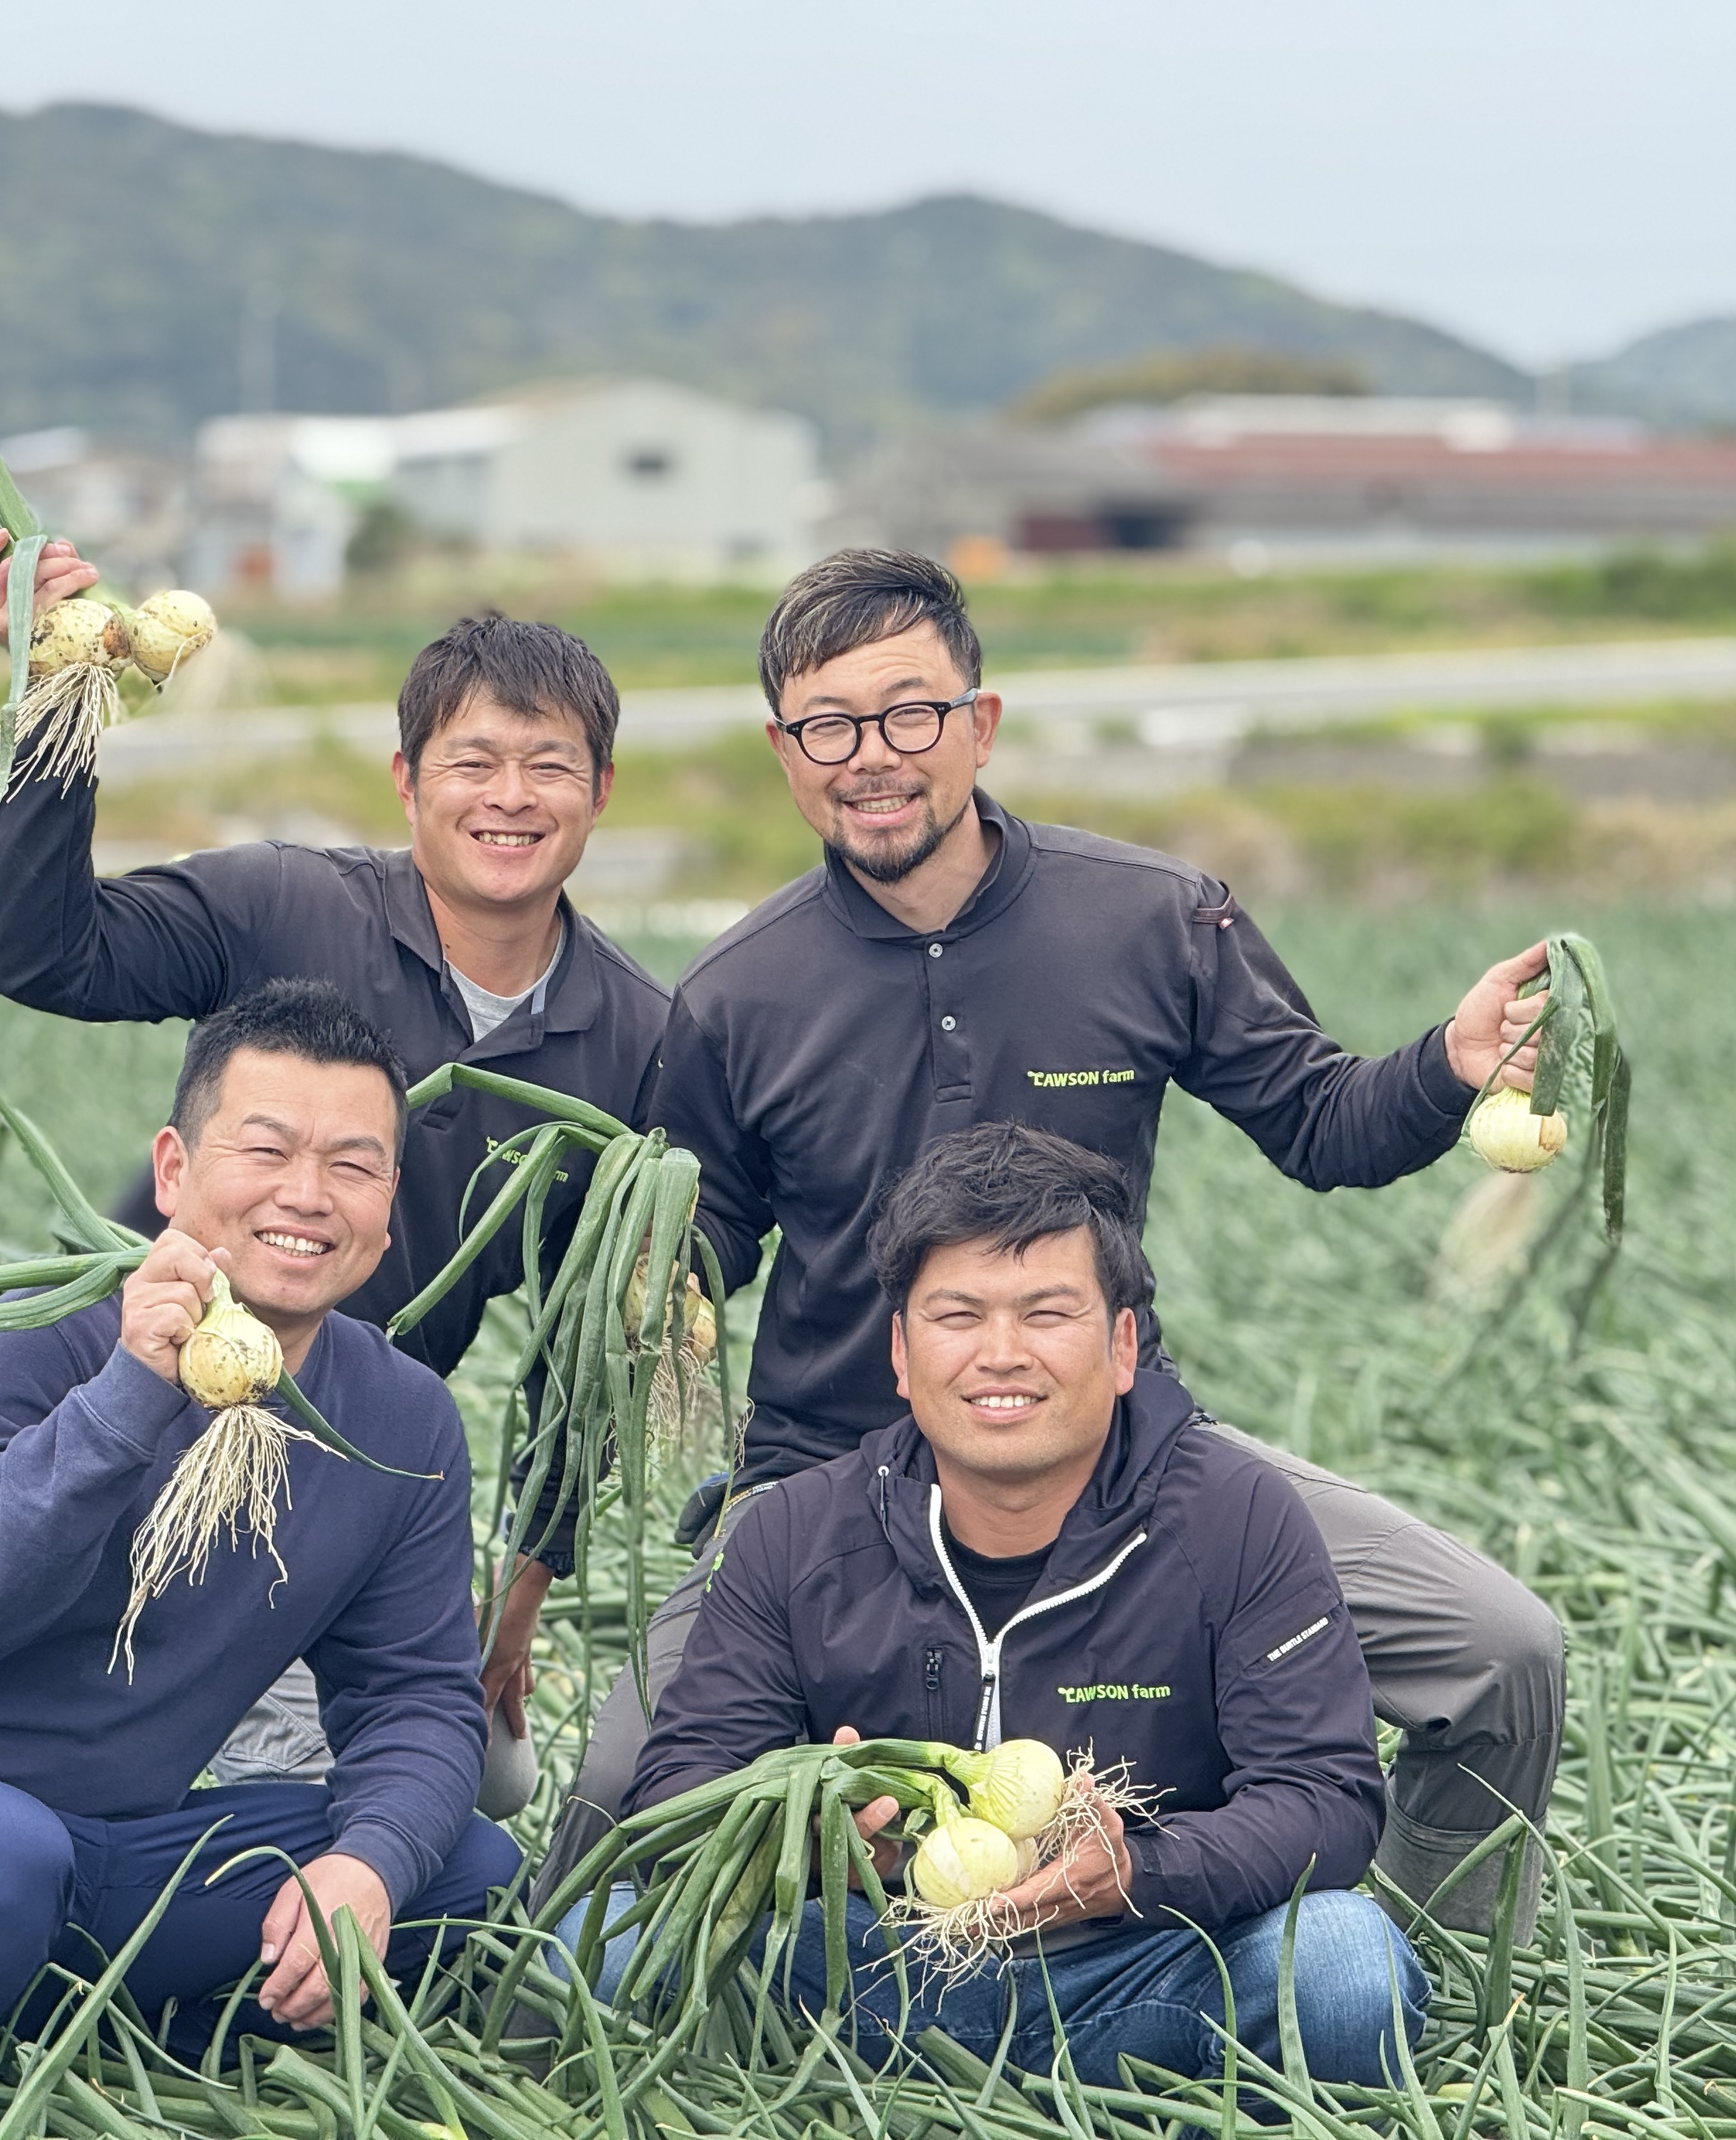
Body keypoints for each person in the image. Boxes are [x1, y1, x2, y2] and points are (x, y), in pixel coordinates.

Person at [527, 548, 1565, 1938]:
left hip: (1116, 1457)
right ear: (785, 753)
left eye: (909, 713)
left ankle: (1422, 1984)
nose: (871, 757)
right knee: (619, 1788)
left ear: (982, 723)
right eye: (828, 727)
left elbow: (1325, 1123)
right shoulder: (737, 993)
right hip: (828, 1476)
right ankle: (531, 2015)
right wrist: (645, 1270)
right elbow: (703, 1242)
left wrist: (1446, 1063)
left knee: (1504, 1652)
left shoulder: (1147, 920)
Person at [0, 982, 519, 2109]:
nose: (306, 1195)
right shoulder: (44, 1329)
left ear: (389, 1202)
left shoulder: (401, 1418)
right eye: (266, 1150)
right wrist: (130, 1392)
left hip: (107, 1859)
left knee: (466, 1871)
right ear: (173, 1171)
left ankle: (87, 2044)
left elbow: (414, 1697)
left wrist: (366, 1864)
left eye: (352, 1166)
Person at [0, 535, 671, 1800]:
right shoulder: (285, 908)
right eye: (472, 763)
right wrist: (53, 693)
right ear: (408, 782)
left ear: (603, 790)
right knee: (125, 1743)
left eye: (549, 766)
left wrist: (516, 1594)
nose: (509, 798)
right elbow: (44, 956)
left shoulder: (633, 1040)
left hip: (350, 1470)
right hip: (144, 1403)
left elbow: (589, 1354)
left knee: (493, 1785)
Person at [608, 1124, 1425, 2086]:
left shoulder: (1235, 1517)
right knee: (607, 1946)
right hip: (870, 1963)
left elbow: (1325, 1798)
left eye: (1047, 1313)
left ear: (1123, 1346)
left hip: (1146, 1962)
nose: (1001, 1354)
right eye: (959, 1316)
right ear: (902, 1352)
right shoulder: (796, 1531)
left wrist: (1137, 1872)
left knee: (1344, 1967)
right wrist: (808, 1832)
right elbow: (677, 1792)